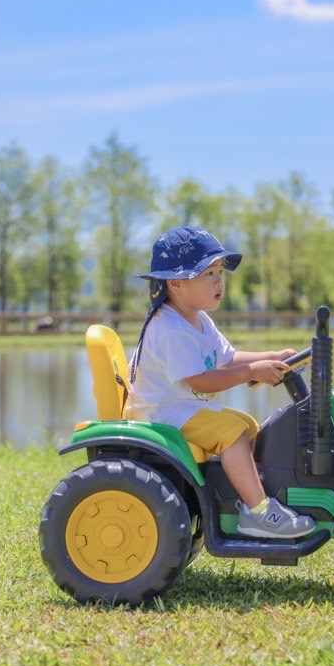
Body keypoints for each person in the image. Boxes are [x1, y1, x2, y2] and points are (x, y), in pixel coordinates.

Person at [125, 226, 316, 540]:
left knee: (250, 425)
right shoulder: (169, 328)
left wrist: (272, 355)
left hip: (182, 408)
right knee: (232, 433)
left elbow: (227, 359)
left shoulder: (198, 318)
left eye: (220, 273)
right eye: (208, 273)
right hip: (161, 413)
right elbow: (203, 381)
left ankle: (247, 498)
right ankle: (257, 513)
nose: (219, 282)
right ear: (175, 283)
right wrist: (252, 371)